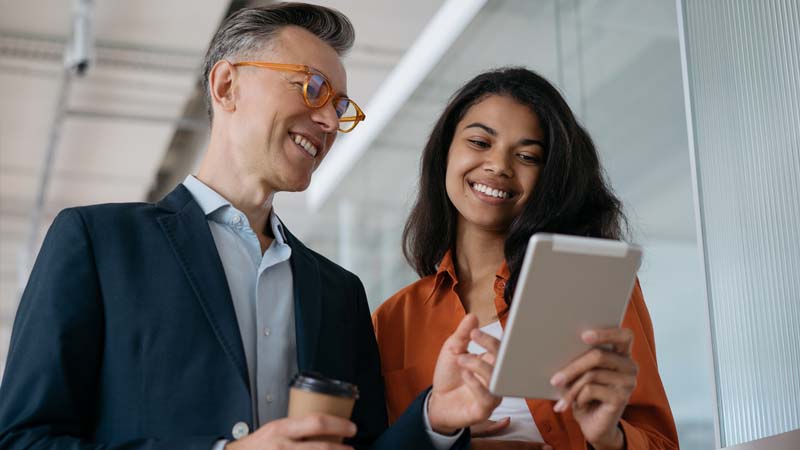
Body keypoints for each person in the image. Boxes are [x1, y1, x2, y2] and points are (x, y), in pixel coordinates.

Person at [0, 3, 500, 449]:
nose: (328, 120)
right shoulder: (98, 243)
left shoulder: (339, 293)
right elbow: (23, 437)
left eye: (339, 107)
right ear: (226, 85)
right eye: (313, 87)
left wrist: (434, 418)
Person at [372, 67, 680, 450]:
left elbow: (662, 443)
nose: (499, 165)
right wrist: (443, 435)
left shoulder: (594, 288)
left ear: (550, 177)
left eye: (527, 156)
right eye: (480, 142)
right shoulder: (391, 321)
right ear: (444, 153)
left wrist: (609, 439)